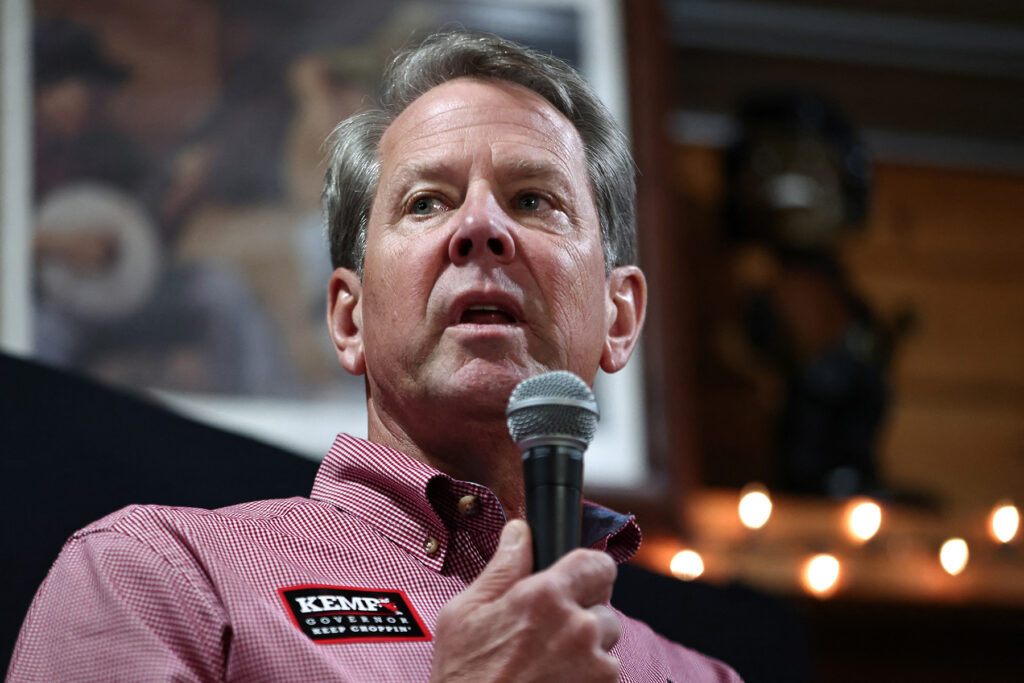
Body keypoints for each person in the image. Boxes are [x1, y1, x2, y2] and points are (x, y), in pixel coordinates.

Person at [8, 31, 740, 681]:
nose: (481, 227)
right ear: (347, 317)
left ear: (620, 317)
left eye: (532, 200)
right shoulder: (159, 577)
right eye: (426, 202)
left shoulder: (702, 676)